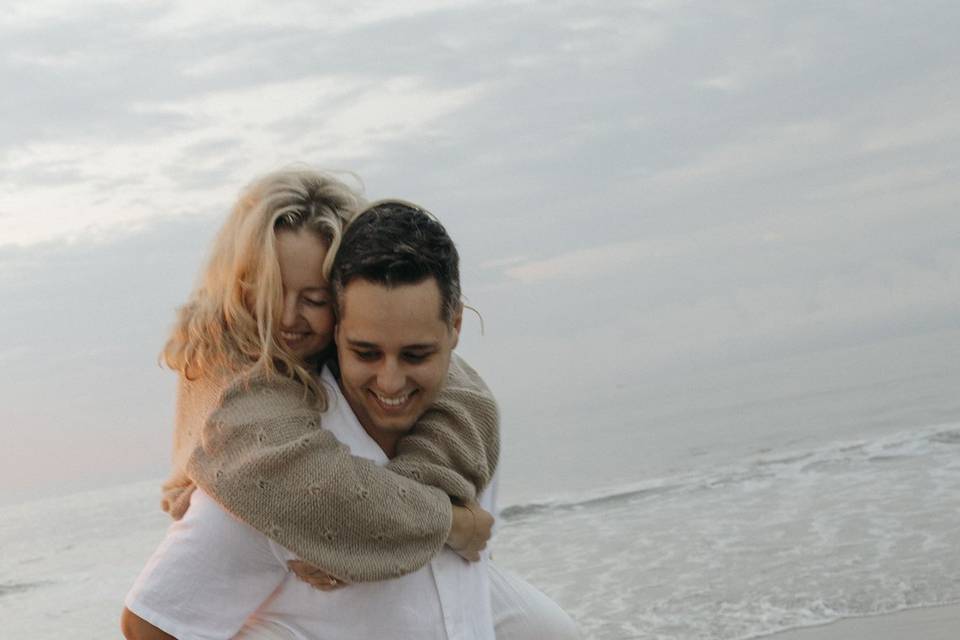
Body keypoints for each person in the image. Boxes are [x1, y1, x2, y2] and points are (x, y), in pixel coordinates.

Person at [122, 197, 579, 638]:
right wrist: (443, 525)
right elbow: (149, 624)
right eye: (366, 352)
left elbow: (457, 602)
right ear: (344, 328)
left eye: (417, 354)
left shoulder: (463, 436)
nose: (392, 381)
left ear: (454, 328)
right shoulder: (263, 481)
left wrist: (386, 542)